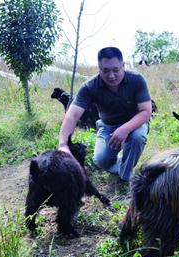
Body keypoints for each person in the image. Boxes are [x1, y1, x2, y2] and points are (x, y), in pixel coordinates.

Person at [58, 47, 152, 183]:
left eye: (116, 70)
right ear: (99, 69)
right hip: (108, 126)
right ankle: (124, 164)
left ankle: (125, 177)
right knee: (101, 160)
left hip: (134, 124)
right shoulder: (89, 87)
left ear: (123, 66)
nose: (111, 76)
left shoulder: (137, 80)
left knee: (137, 137)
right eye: (105, 71)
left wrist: (125, 129)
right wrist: (63, 145)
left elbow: (146, 112)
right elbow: (72, 115)